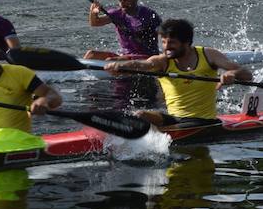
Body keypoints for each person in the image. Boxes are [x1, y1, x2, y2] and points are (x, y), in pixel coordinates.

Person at [103, 19, 250, 128]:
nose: (166, 47)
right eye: (164, 42)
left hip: (204, 122)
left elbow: (245, 74)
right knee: (139, 115)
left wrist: (232, 75)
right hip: (174, 118)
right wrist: (121, 66)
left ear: (187, 43)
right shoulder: (163, 61)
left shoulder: (209, 55)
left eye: (172, 42)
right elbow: (142, 65)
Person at [87, 0, 163, 60]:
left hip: (147, 57)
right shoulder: (116, 14)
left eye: (126, 0)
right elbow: (95, 23)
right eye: (120, 0)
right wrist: (93, 13)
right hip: (125, 55)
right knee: (91, 54)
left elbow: (164, 32)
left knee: (110, 60)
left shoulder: (149, 14)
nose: (122, 3)